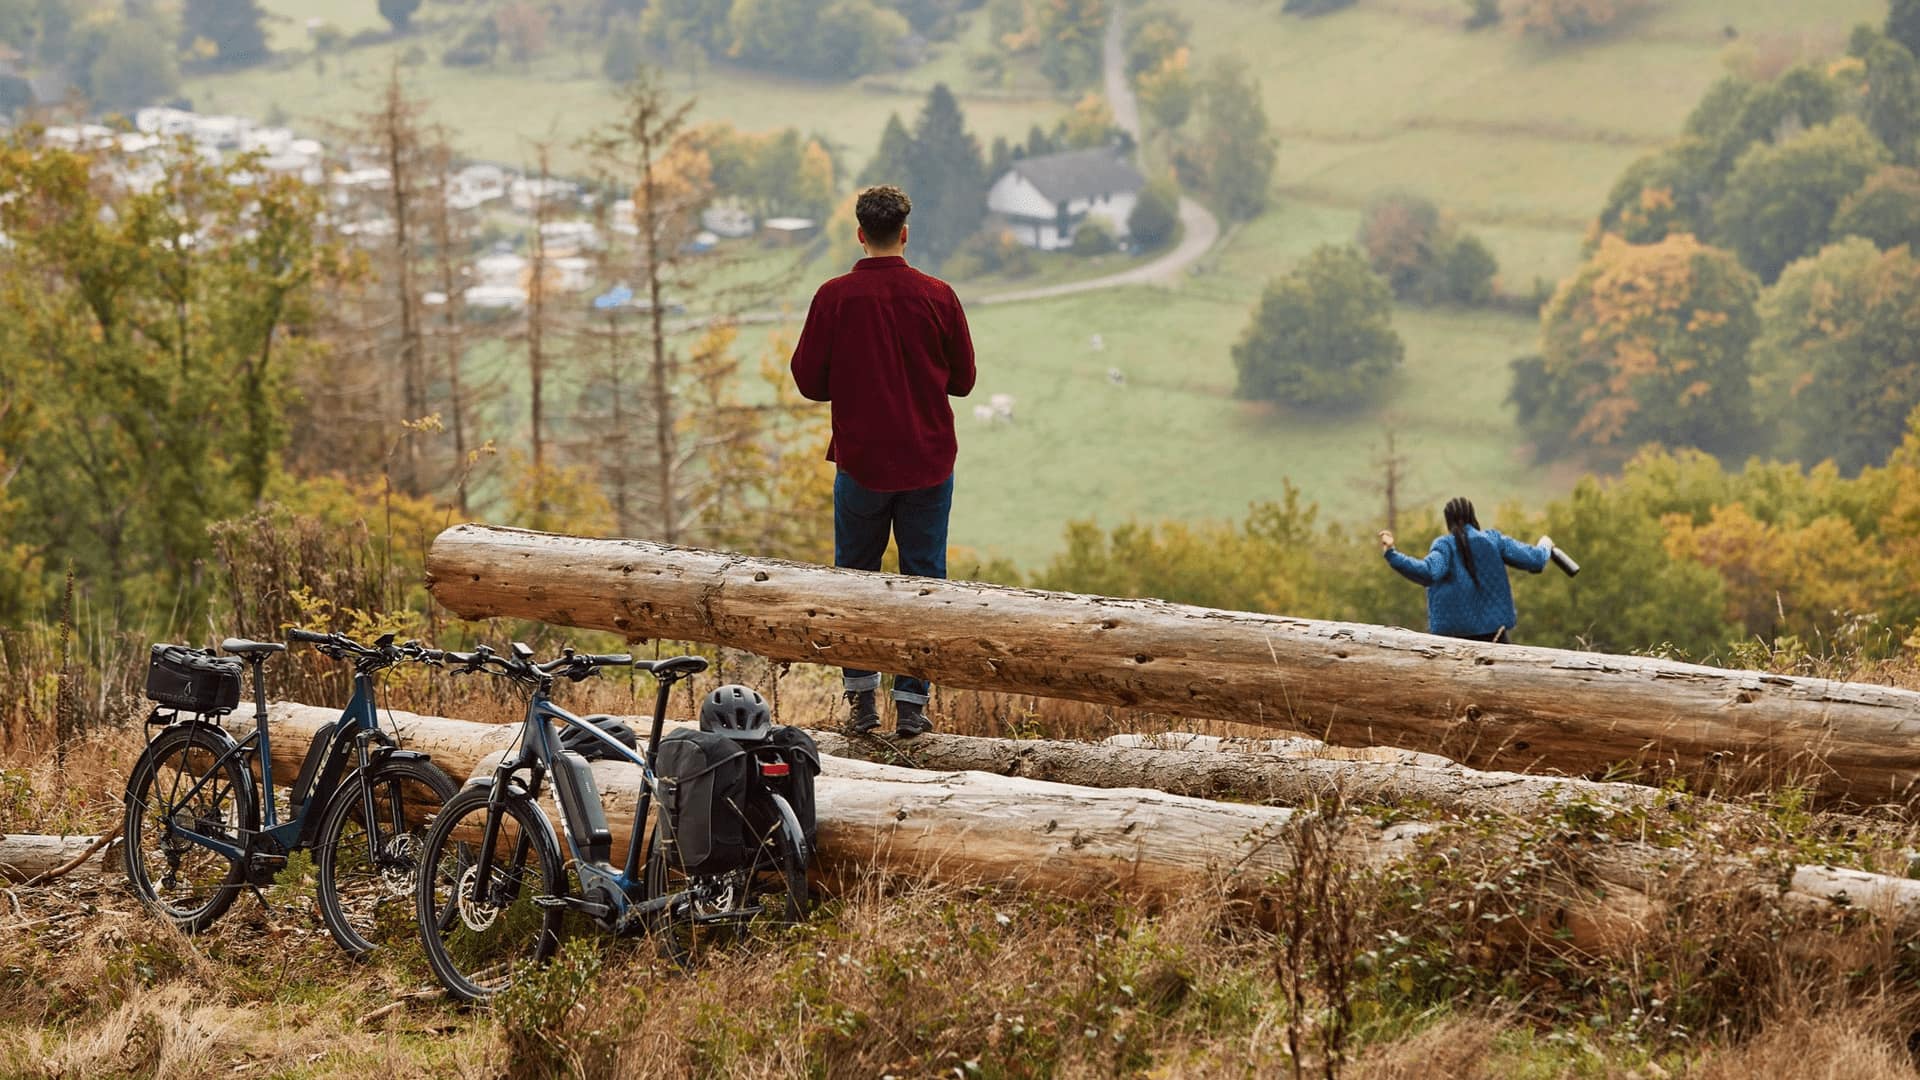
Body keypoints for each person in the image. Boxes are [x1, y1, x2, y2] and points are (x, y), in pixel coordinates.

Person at [790, 185, 977, 738]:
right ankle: (913, 707)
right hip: (927, 461)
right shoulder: (938, 296)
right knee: (925, 580)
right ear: (904, 232)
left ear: (859, 233)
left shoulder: (834, 297)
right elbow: (964, 381)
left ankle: (861, 704)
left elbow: (808, 381)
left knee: (855, 579)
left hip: (862, 464)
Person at [1378, 497, 1554, 643]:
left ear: (1448, 521)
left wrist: (1392, 554)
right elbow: (1536, 560)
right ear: (1472, 516)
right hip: (1495, 637)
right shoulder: (1493, 540)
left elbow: (1428, 572)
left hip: (1452, 641)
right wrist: (1546, 543)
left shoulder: (1445, 546)